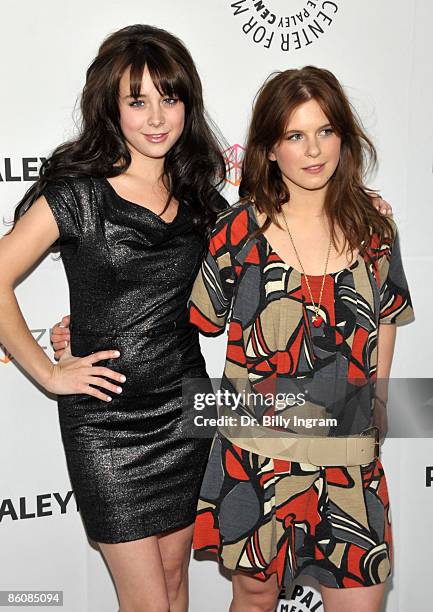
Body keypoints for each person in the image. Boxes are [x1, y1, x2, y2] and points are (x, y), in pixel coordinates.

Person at [0, 24, 228, 612]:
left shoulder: (203, 199)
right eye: (137, 101)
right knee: (148, 603)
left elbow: (279, 240)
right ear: (112, 107)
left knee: (177, 582)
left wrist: (361, 206)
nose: (156, 117)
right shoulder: (78, 194)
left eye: (169, 98)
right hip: (104, 420)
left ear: (188, 104)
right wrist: (49, 374)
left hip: (185, 408)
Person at [185, 66, 415, 612]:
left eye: (326, 131)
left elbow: (385, 315)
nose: (314, 150)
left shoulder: (375, 231)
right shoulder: (235, 232)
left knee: (362, 598)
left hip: (349, 457)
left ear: (344, 137)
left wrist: (379, 397)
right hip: (259, 461)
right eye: (294, 135)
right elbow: (200, 320)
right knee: (256, 599)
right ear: (267, 148)